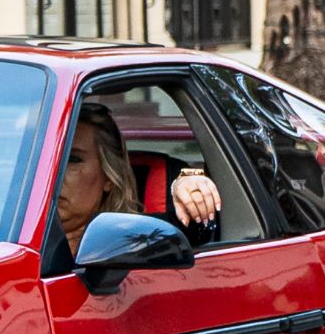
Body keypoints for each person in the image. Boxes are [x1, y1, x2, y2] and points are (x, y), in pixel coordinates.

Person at [57, 102, 220, 253]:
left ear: (108, 177)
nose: (54, 175)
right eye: (41, 161)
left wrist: (189, 184)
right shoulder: (31, 235)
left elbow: (198, 231)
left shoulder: (135, 237)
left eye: (73, 159)